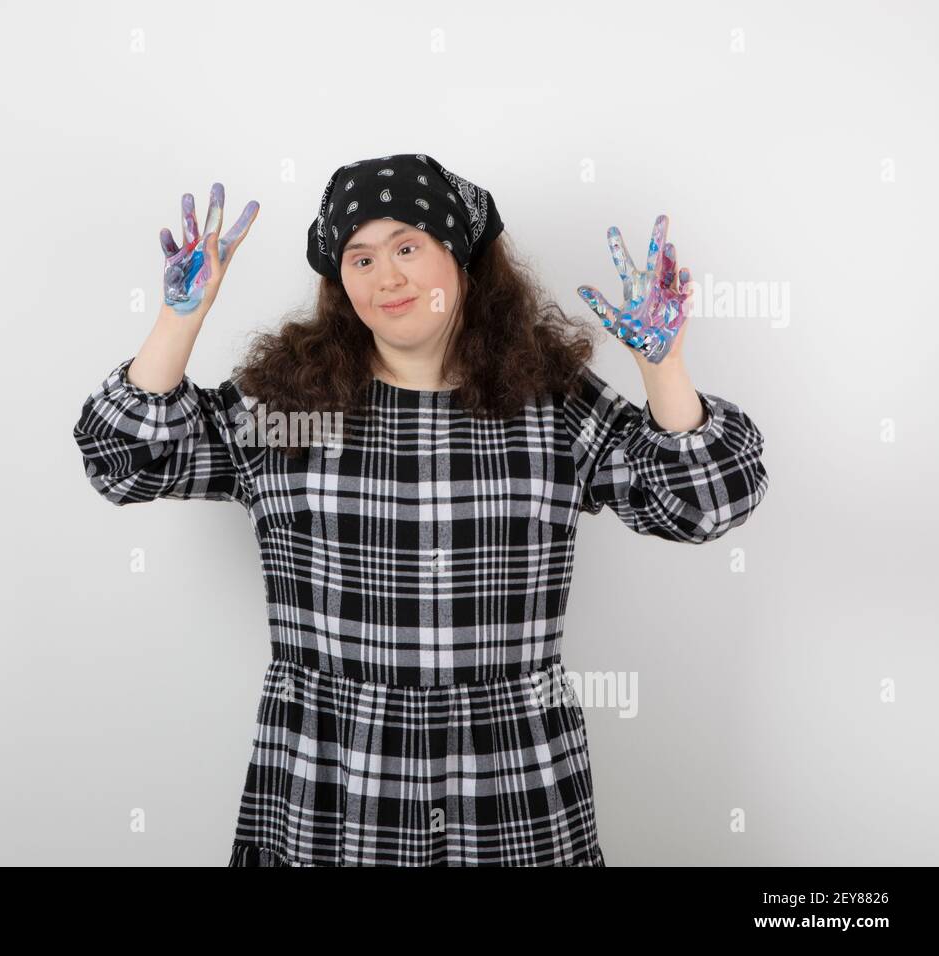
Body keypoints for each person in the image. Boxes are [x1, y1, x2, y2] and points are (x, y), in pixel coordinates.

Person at [73, 154, 769, 866]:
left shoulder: (551, 404)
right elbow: (122, 463)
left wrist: (664, 368)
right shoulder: (290, 409)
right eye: (361, 257)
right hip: (330, 790)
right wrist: (177, 321)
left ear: (461, 257)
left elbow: (707, 502)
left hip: (512, 791)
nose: (387, 277)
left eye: (408, 246)